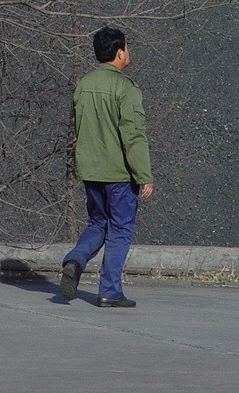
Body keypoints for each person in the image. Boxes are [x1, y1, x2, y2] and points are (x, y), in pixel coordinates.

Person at [60, 26, 154, 308]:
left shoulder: (84, 84)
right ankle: (110, 290)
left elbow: (78, 128)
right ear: (119, 52)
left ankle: (75, 259)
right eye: (127, 47)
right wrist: (144, 174)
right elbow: (133, 135)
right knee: (121, 230)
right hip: (119, 174)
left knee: (97, 223)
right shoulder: (125, 88)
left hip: (90, 171)